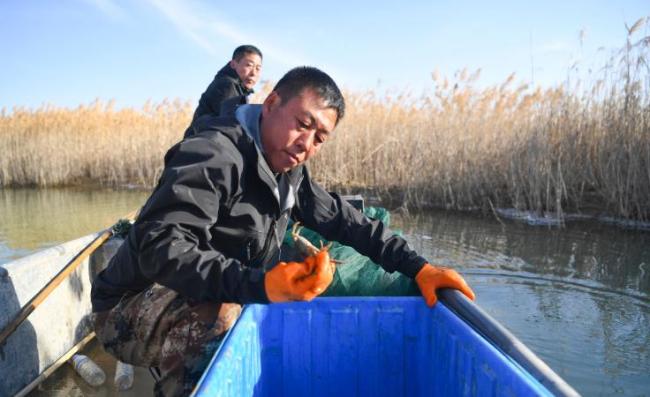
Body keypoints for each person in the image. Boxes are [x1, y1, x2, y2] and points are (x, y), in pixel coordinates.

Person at [91, 66, 475, 397]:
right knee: (220, 319)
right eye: (302, 123)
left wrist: (418, 267)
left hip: (211, 285)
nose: (306, 143)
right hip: (129, 304)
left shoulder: (287, 170)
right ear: (271, 104)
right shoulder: (213, 154)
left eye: (320, 137)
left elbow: (345, 220)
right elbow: (161, 248)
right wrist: (261, 287)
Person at [185, 44, 263, 137]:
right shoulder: (226, 85)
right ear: (233, 64)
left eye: (258, 68)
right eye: (249, 65)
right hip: (203, 145)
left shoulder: (236, 88)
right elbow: (231, 126)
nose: (253, 73)